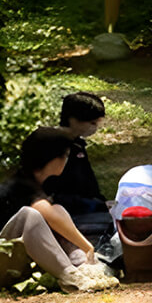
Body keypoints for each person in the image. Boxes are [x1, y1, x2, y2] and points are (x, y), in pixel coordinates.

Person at [0, 127, 118, 291]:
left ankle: (84, 267)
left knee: (56, 210)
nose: (66, 161)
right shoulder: (19, 185)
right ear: (50, 158)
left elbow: (56, 215)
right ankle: (72, 277)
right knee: (31, 215)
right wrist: (88, 247)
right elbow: (50, 216)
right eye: (64, 155)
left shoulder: (37, 183)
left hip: (6, 265)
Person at [42, 91, 113, 240]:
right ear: (73, 120)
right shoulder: (54, 147)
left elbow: (88, 184)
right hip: (66, 214)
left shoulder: (77, 145)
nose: (95, 128)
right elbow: (53, 196)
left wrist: (103, 202)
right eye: (92, 123)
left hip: (84, 209)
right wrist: (97, 206)